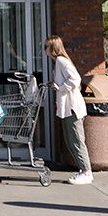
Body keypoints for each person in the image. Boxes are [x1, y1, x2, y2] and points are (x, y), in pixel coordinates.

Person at [44, 35, 93, 185]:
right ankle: (83, 170)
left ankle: (86, 172)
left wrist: (60, 88)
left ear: (52, 47)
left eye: (46, 46)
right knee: (70, 140)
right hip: (68, 107)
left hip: (72, 107)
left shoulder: (61, 61)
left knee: (76, 140)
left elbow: (75, 79)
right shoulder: (58, 62)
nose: (44, 49)